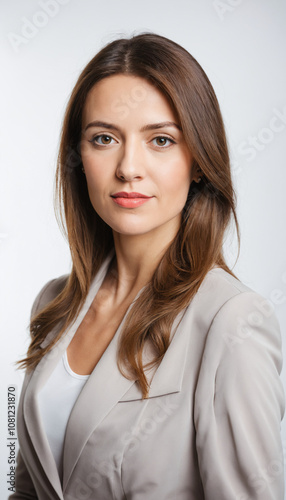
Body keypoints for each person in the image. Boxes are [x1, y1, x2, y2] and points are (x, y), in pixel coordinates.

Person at [11, 33, 284, 500]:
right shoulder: (55, 302)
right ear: (78, 158)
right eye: (104, 139)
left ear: (198, 160)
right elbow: (31, 488)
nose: (128, 167)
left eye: (160, 140)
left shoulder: (231, 323)